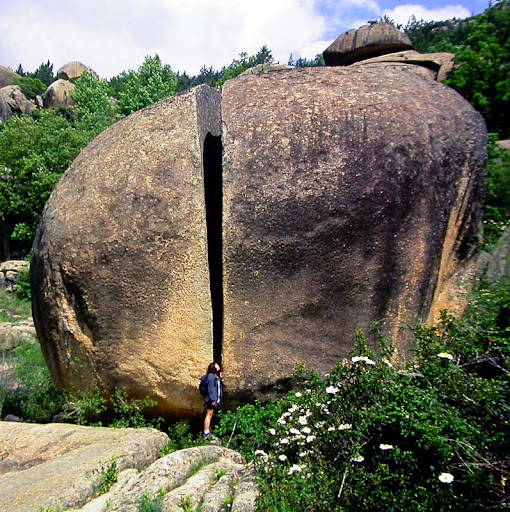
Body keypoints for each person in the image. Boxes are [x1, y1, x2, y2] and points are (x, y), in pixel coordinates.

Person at [203, 362, 223, 440]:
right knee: (209, 415)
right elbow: (211, 389)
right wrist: (213, 400)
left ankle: (208, 431)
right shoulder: (211, 376)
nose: (218, 366)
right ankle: (206, 433)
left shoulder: (214, 376)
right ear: (213, 367)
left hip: (213, 399)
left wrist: (220, 378)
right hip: (211, 400)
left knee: (211, 415)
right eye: (216, 365)